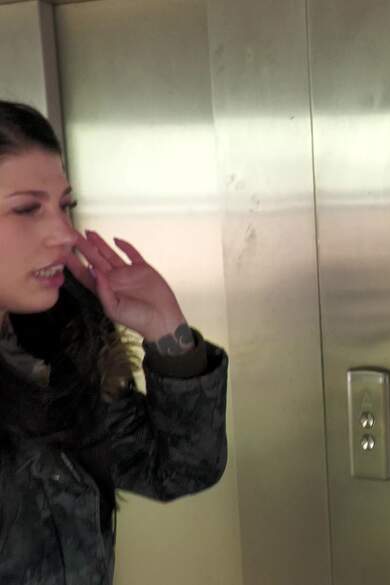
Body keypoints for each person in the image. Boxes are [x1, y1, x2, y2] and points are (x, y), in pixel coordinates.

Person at [0, 100, 229, 584]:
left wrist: (167, 333)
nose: (65, 234)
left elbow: (177, 470)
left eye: (64, 206)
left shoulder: (55, 349)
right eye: (26, 209)